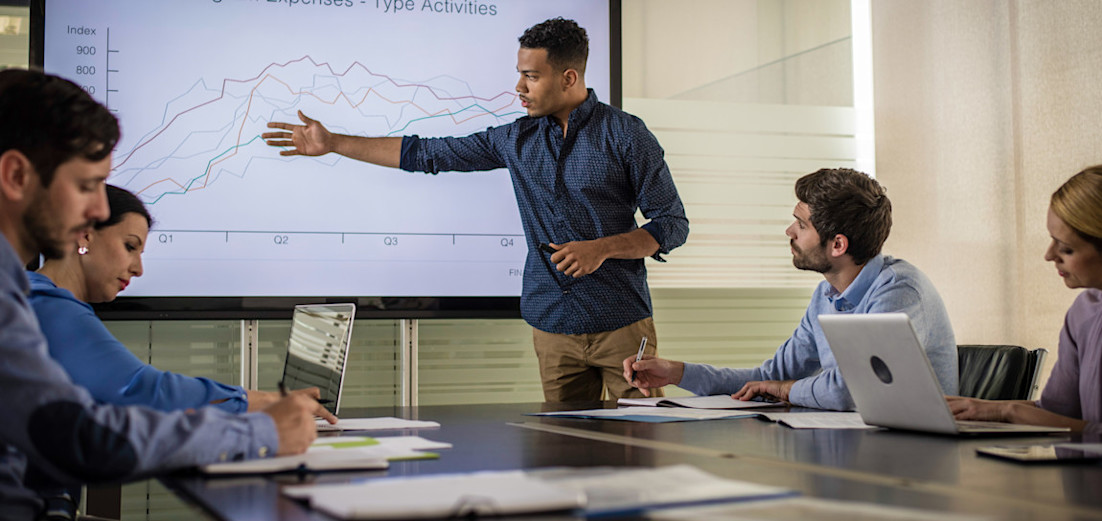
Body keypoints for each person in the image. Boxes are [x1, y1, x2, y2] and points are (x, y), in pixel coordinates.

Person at [263, 18, 689, 402]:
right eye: (519, 74)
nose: (519, 87)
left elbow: (671, 223)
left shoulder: (626, 135)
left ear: (568, 77)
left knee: (640, 445)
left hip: (621, 324)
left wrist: (601, 248)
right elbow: (429, 153)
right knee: (565, 454)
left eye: (530, 76)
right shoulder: (514, 140)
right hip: (551, 326)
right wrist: (334, 142)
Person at [0, 68, 335, 520]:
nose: (99, 209)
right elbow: (91, 433)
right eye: (85, 186)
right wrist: (260, 429)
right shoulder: (25, 298)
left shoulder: (18, 288)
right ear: (17, 175)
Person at [625, 168, 958, 411]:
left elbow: (850, 391)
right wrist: (676, 373)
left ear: (838, 244)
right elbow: (769, 376)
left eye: (801, 225)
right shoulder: (825, 296)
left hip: (912, 457)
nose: (789, 231)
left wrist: (783, 390)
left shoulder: (899, 291)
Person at [29, 185, 307, 413]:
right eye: (130, 247)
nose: (138, 269)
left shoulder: (36, 296)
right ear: (85, 235)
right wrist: (266, 402)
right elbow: (145, 390)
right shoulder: (50, 306)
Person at [948, 165, 1102, 439]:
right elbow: (1058, 411)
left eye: (1066, 248)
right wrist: (976, 408)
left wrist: (1008, 411)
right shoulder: (1085, 311)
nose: (1048, 255)